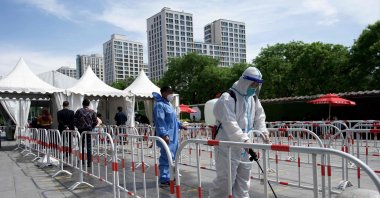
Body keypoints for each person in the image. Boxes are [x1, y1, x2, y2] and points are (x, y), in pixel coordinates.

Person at [209, 67, 270, 198]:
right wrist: (244, 141)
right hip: (227, 147)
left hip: (246, 148)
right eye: (252, 85)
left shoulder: (253, 99)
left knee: (243, 183)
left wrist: (263, 130)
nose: (254, 88)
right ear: (244, 81)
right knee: (225, 182)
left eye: (256, 85)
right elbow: (230, 124)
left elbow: (260, 116)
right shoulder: (227, 98)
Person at [152, 86, 187, 186]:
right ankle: (164, 178)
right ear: (163, 93)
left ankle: (170, 176)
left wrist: (180, 125)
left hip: (173, 136)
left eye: (171, 92)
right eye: (169, 92)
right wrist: (164, 134)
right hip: (167, 136)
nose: (171, 94)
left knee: (173, 157)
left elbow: (173, 120)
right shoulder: (160, 105)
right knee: (166, 156)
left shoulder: (168, 104)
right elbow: (160, 121)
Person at [74, 98, 97, 167]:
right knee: (89, 146)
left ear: (82, 104)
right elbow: (95, 121)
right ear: (89, 104)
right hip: (89, 130)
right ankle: (89, 162)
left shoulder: (79, 111)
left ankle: (82, 160)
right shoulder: (92, 111)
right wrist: (91, 127)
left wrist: (78, 126)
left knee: (81, 145)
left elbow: (74, 121)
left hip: (81, 130)